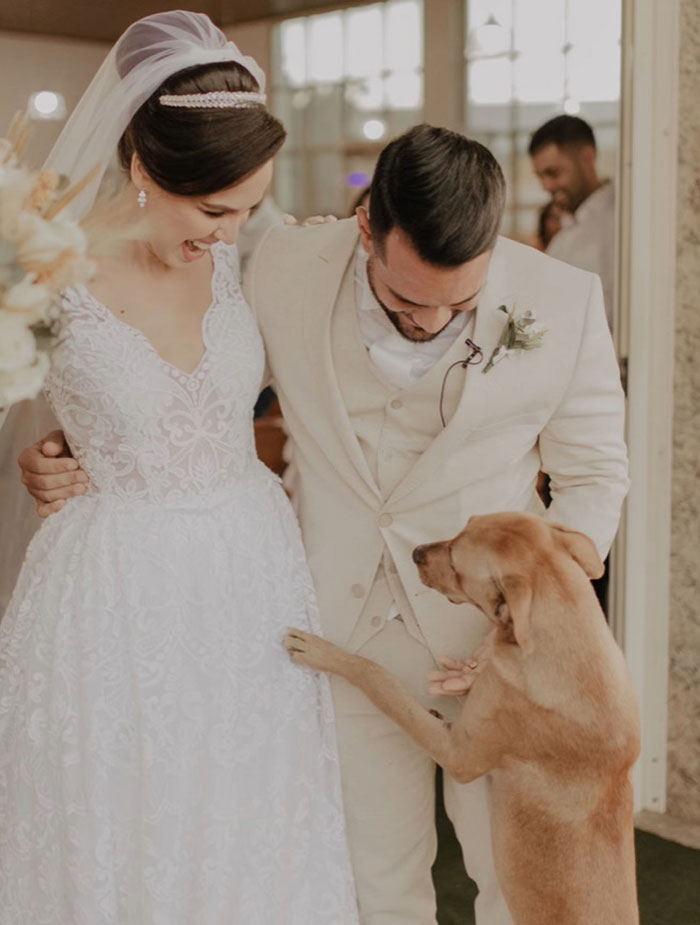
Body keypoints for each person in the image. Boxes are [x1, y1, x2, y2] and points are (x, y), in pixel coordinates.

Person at [20, 124, 629, 924]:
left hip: (497, 653)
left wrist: (529, 626)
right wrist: (77, 444)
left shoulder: (565, 297)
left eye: (458, 304)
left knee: (518, 888)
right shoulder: (282, 264)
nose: (430, 321)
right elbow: (194, 388)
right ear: (367, 226)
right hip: (337, 634)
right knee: (377, 886)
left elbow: (594, 480)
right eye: (406, 300)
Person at [0, 12, 358, 924]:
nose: (231, 233)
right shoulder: (48, 272)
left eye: (247, 209)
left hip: (250, 572)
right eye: (214, 211)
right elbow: (21, 398)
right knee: (123, 816)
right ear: (147, 172)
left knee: (250, 810)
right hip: (112, 591)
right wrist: (37, 450)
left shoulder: (246, 260)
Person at [528, 114, 616, 329]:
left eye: (553, 173)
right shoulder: (563, 235)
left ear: (587, 158)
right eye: (541, 177)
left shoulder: (619, 221)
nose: (546, 186)